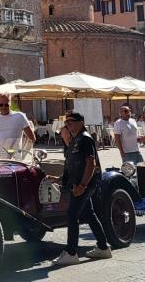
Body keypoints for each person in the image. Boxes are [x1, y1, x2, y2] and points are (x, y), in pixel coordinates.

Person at [52, 111, 111, 265]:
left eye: (70, 121)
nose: (67, 125)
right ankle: (103, 247)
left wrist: (83, 186)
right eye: (66, 122)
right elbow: (72, 165)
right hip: (78, 183)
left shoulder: (85, 138)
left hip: (84, 184)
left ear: (80, 122)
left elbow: (91, 163)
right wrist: (59, 178)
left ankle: (71, 253)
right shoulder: (75, 140)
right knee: (89, 214)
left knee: (72, 215)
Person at [0, 94, 36, 159]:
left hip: (14, 158)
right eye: (1, 105)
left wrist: (24, 153)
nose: (3, 107)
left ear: (10, 103)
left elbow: (32, 138)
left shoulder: (20, 116)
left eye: (6, 105)